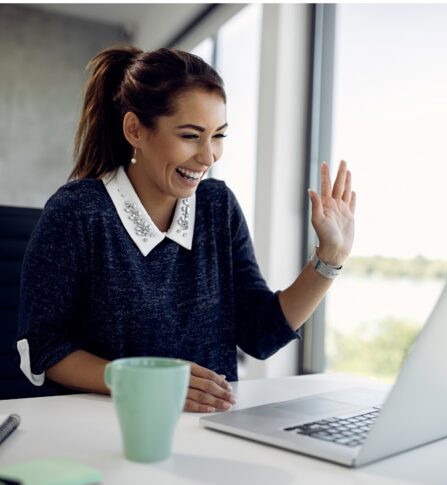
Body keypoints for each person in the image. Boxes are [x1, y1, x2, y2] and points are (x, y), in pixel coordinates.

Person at [16, 46, 356, 413]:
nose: (209, 156)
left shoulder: (218, 207)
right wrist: (143, 381)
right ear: (135, 130)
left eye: (219, 136)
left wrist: (329, 257)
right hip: (114, 430)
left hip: (211, 429)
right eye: (191, 136)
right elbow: (44, 347)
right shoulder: (78, 212)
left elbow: (260, 333)